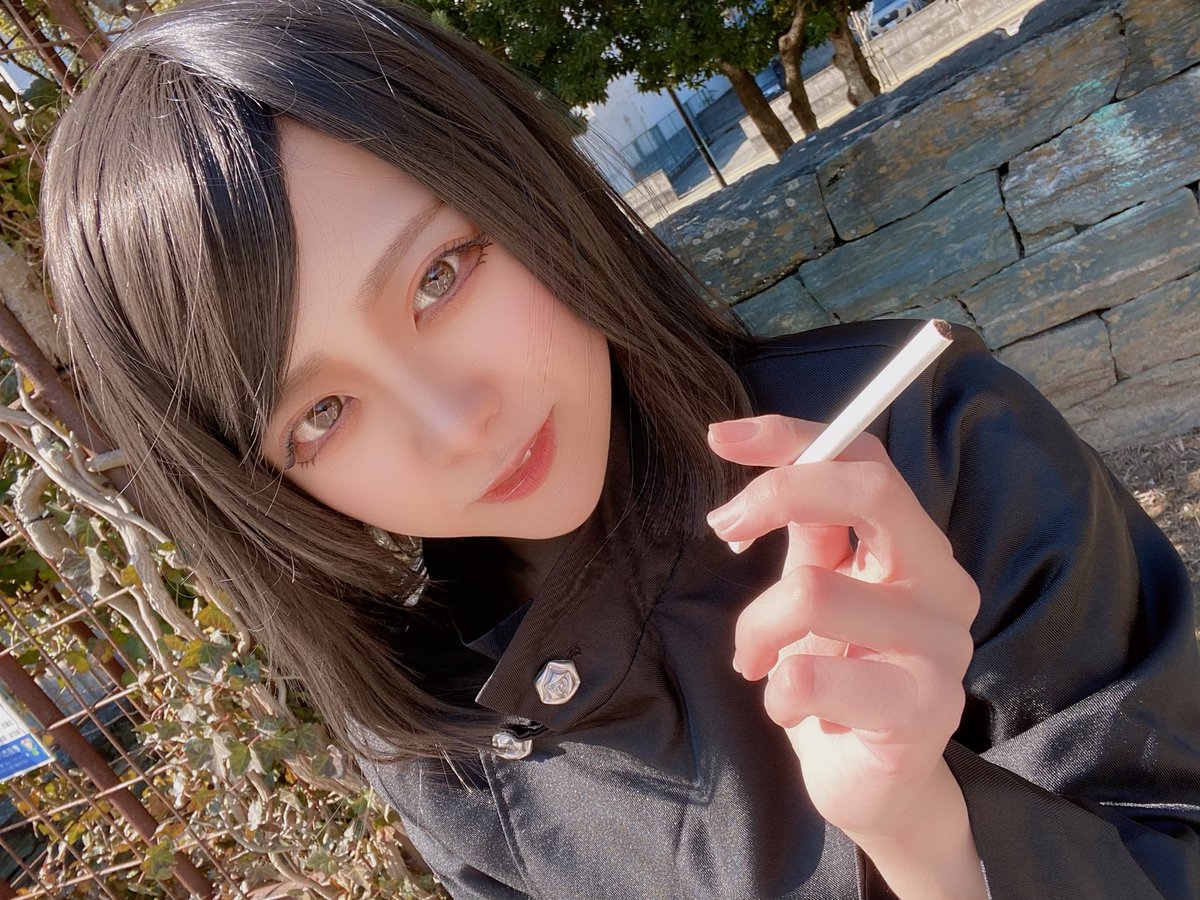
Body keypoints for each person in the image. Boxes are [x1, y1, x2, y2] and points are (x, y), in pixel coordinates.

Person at [40, 0, 1200, 897]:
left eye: (440, 276)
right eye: (321, 415)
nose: (455, 423)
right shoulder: (435, 742)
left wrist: (933, 839)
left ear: (522, 184)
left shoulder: (921, 444)